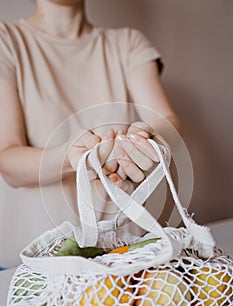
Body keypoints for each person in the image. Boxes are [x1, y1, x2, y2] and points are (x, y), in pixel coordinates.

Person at [0, 0, 180, 268]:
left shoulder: (128, 43)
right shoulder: (7, 41)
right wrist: (72, 157)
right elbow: (7, 160)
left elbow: (167, 120)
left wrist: (149, 139)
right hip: (33, 264)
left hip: (121, 256)